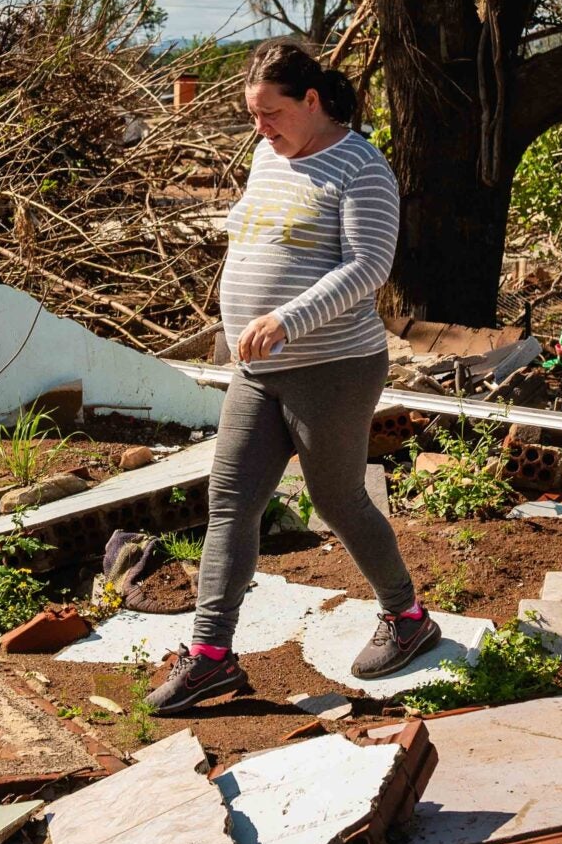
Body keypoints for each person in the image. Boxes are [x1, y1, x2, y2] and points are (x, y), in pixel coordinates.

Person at [146, 40, 438, 712]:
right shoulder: (265, 156)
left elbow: (369, 267)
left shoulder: (361, 167)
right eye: (253, 114)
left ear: (312, 100)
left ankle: (408, 616)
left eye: (271, 112)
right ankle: (212, 656)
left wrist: (286, 317)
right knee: (230, 500)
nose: (260, 127)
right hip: (259, 370)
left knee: (337, 501)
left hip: (332, 367)